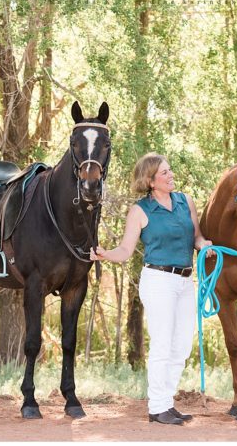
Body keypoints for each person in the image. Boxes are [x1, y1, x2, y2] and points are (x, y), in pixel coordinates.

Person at [90, 152, 214, 425]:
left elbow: (196, 236)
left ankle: (166, 402)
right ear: (150, 181)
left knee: (182, 346)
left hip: (185, 280)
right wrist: (105, 254)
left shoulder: (185, 201)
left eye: (170, 170)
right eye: (164, 173)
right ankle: (157, 407)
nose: (171, 175)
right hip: (158, 280)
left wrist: (204, 244)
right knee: (162, 343)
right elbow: (125, 250)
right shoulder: (140, 211)